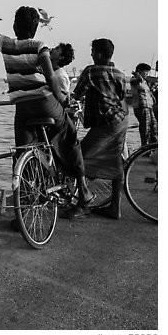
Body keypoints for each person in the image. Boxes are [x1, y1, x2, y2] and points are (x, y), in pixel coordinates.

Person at [0, 6, 93, 218]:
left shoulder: (4, 43)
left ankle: (25, 212)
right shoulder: (40, 46)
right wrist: (63, 100)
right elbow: (50, 79)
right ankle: (84, 192)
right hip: (44, 102)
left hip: (22, 107)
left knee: (22, 153)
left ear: (14, 25)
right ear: (36, 28)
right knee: (70, 136)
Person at [72, 38, 128, 219]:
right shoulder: (120, 74)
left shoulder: (91, 71)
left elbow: (76, 95)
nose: (91, 55)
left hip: (107, 124)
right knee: (115, 160)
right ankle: (115, 208)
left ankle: (83, 203)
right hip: (121, 121)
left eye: (93, 51)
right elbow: (121, 97)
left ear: (99, 54)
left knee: (78, 158)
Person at [129, 63, 157, 147]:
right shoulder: (134, 80)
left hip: (149, 107)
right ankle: (145, 147)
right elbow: (138, 81)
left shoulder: (145, 82)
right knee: (145, 128)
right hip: (141, 107)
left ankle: (152, 146)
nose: (146, 75)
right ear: (140, 72)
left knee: (154, 126)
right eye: (145, 73)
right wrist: (137, 75)